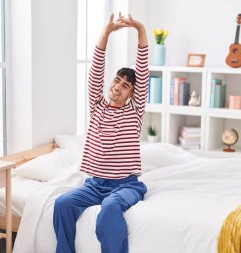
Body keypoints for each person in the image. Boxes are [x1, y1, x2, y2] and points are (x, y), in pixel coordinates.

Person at [53, 13, 149, 253]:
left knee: (109, 209)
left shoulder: (134, 112)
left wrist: (140, 30)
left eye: (125, 86)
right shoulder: (97, 106)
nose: (117, 87)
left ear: (131, 94)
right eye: (117, 81)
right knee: (62, 204)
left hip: (126, 185)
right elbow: (96, 70)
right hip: (95, 184)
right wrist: (106, 33)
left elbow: (143, 71)